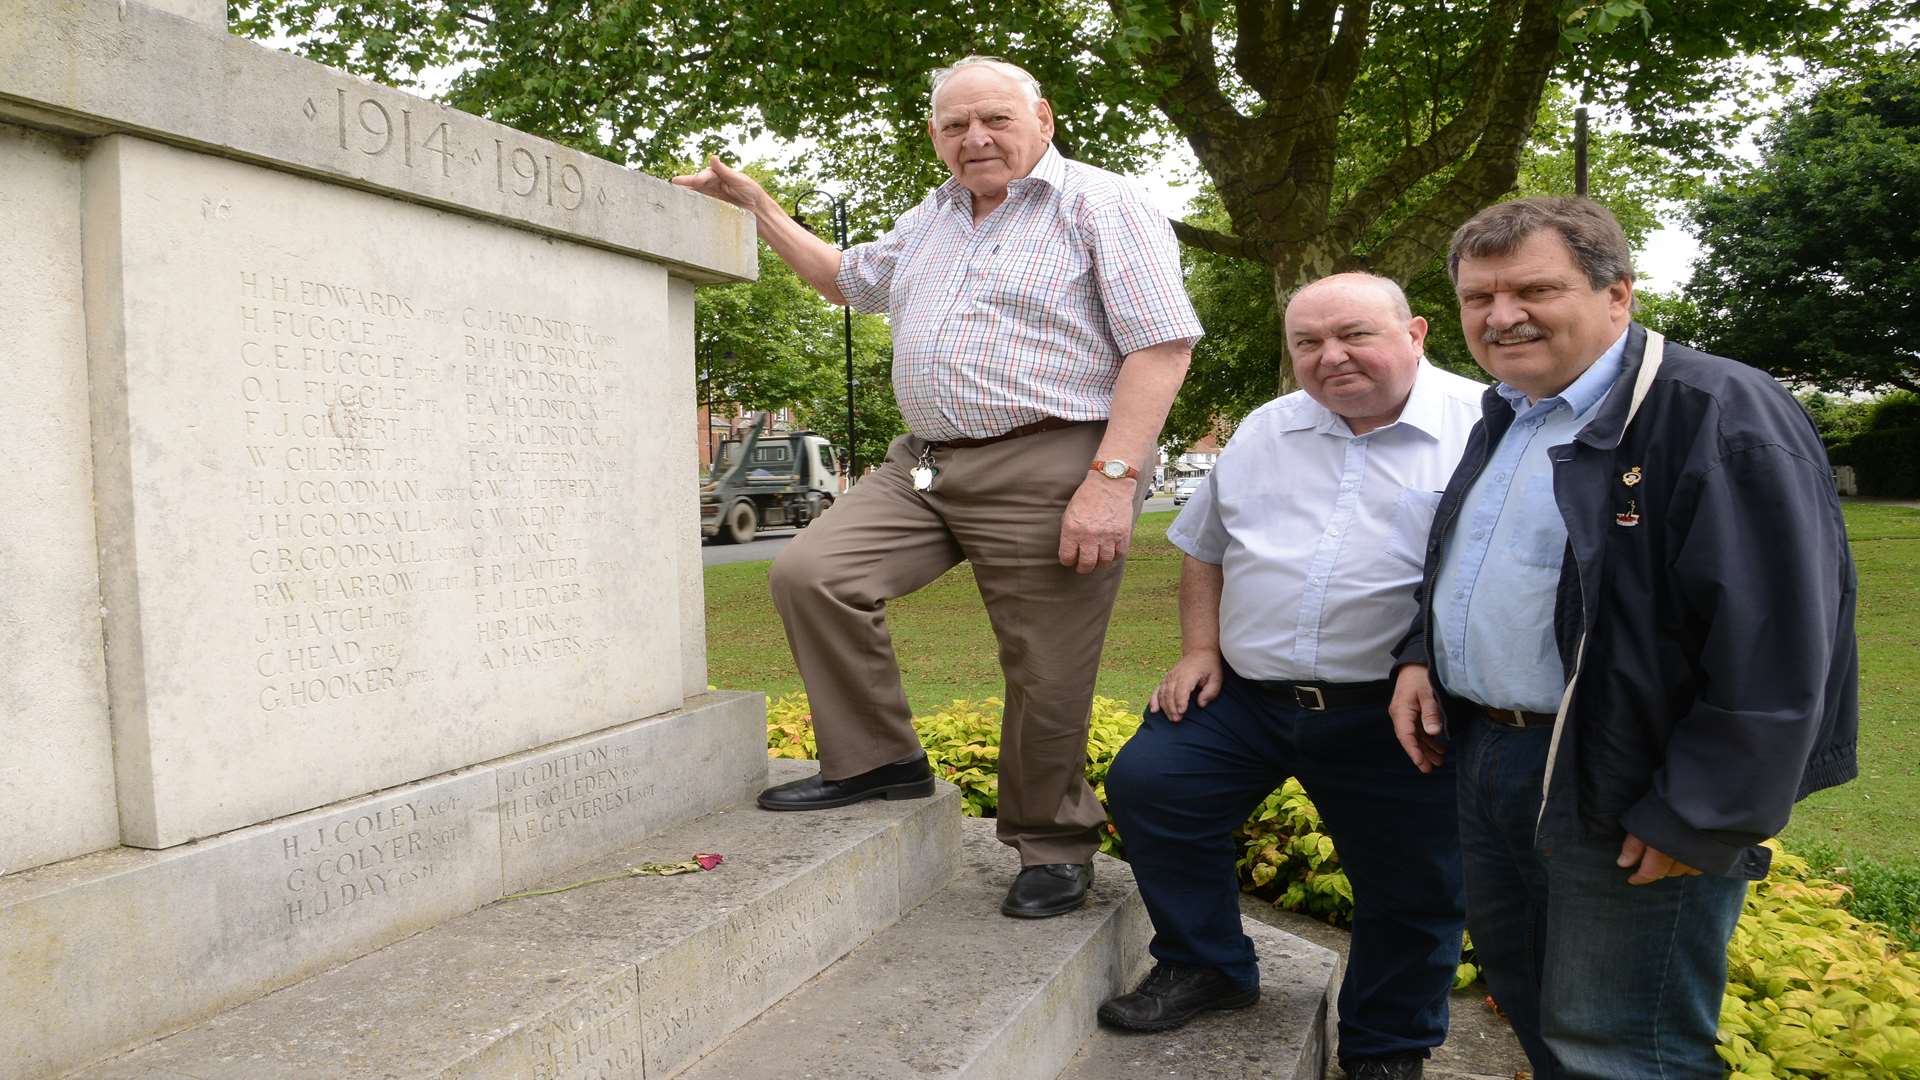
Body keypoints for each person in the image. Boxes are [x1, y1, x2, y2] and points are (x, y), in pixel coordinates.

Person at [672, 56, 1200, 919]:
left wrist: (1112, 480)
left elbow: (1162, 345)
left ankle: (1052, 841)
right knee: (814, 575)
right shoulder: (935, 214)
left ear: (1043, 119)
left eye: (994, 119)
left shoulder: (1100, 204)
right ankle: (880, 762)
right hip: (922, 463)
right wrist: (760, 207)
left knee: (1044, 666)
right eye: (955, 126)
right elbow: (844, 281)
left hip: (1052, 459)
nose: (975, 138)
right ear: (935, 137)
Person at [1388, 197, 1858, 1079]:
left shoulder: (1717, 412)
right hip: (1493, 759)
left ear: (1619, 295)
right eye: (1478, 297)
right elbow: (1476, 559)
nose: (1501, 316)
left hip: (1630, 776)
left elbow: (1783, 639)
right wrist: (1421, 651)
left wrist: (1702, 812)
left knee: (1625, 1047)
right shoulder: (1513, 412)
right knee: (1534, 1005)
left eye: (1534, 288)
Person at [1099, 274, 1481, 1080]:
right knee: (1154, 784)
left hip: (1396, 708)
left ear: (1414, 333)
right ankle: (1208, 963)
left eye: (1353, 335)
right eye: (1307, 343)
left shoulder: (1485, 425)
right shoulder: (1269, 429)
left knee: (1414, 885)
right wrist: (1200, 649)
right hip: (1248, 695)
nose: (1329, 356)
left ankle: (1387, 1046)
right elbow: (1205, 547)